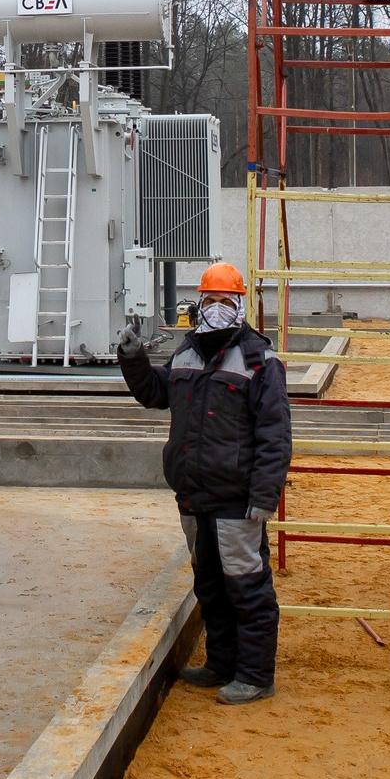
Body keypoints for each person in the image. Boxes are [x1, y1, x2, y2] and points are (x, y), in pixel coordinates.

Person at [117, 261, 291, 706]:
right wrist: (133, 359)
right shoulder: (187, 352)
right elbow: (156, 394)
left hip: (237, 501)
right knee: (209, 583)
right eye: (209, 301)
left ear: (239, 305)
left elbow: (275, 436)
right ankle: (220, 664)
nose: (215, 308)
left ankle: (254, 675)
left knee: (247, 587)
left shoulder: (259, 360)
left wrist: (264, 498)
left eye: (224, 301)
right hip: (194, 496)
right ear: (199, 304)